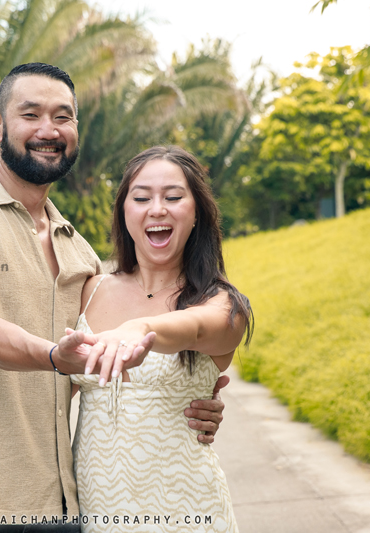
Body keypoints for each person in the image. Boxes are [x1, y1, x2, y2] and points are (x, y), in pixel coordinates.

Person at [0, 63, 228, 532]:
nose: (47, 130)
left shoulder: (79, 252)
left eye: (63, 117)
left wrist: (184, 396)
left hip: (61, 507)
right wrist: (55, 357)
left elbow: (91, 371)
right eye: (30, 114)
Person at [67, 145, 252, 532]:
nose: (157, 209)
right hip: (98, 511)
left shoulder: (222, 303)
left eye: (173, 197)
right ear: (123, 211)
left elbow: (198, 328)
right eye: (141, 197)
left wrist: (141, 328)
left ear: (197, 212)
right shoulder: (90, 290)